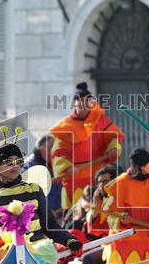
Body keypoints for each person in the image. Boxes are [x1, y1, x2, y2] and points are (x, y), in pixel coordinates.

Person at [0, 129, 80, 252]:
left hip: (38, 259)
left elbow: (49, 225)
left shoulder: (34, 190)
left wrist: (69, 240)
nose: (14, 165)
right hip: (5, 261)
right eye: (8, 162)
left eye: (18, 161)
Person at [49, 82, 123, 212]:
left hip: (98, 176)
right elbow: (59, 152)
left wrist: (113, 148)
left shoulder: (100, 120)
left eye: (86, 104)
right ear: (74, 104)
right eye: (80, 105)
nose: (83, 108)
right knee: (76, 216)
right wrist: (66, 166)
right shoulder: (66, 126)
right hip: (74, 178)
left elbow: (113, 137)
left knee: (101, 212)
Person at [98, 149, 149, 264]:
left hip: (146, 242)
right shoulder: (120, 184)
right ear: (142, 167)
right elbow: (109, 214)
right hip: (124, 243)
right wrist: (121, 219)